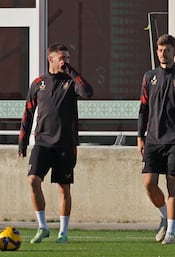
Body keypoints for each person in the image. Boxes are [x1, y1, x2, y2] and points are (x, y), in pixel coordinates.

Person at [18, 43, 94, 243]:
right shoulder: (38, 83)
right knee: (33, 180)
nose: (65, 61)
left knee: (63, 188)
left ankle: (63, 232)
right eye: (62, 58)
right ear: (50, 59)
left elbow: (87, 91)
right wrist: (22, 141)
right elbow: (28, 113)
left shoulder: (71, 82)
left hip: (66, 144)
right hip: (42, 143)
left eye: (67, 58)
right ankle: (42, 227)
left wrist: (71, 71)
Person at [137, 34, 175, 244]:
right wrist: (140, 136)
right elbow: (143, 109)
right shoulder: (149, 77)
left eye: (167, 50)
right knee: (148, 183)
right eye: (160, 49)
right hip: (153, 139)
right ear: (157, 51)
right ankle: (164, 215)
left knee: (173, 185)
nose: (163, 53)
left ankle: (171, 232)